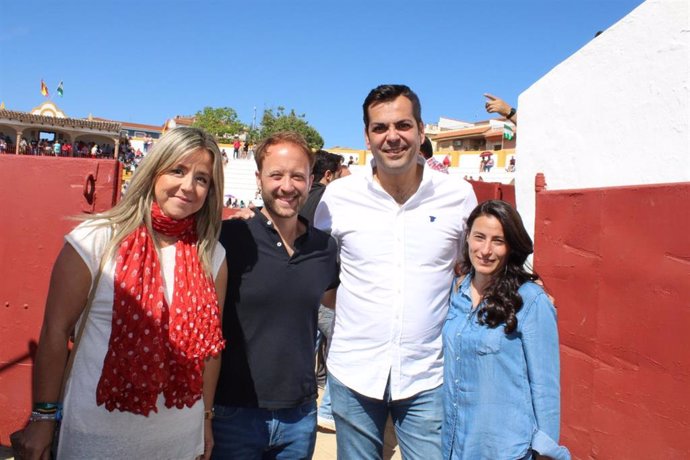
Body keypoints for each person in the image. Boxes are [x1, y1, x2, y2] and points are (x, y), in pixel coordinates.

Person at [19, 127, 228, 460]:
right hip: (96, 434)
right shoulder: (95, 239)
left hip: (179, 436)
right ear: (154, 171)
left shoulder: (211, 254)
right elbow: (55, 332)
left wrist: (206, 420)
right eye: (178, 170)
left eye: (202, 179)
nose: (189, 186)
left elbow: (210, 349)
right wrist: (43, 416)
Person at [314, 84, 477, 459]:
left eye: (402, 125)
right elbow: (311, 262)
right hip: (354, 372)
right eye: (380, 128)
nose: (392, 137)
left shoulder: (458, 196)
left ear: (422, 131)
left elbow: (477, 265)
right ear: (367, 137)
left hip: (428, 375)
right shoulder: (339, 197)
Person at [212, 131, 339, 459]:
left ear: (311, 181)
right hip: (233, 413)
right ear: (258, 179)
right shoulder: (229, 237)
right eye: (276, 175)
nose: (287, 185)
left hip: (299, 416)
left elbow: (339, 301)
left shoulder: (324, 248)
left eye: (298, 176)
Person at [443, 200, 570, 460]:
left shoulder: (530, 300)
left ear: (511, 247)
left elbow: (545, 385)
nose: (486, 250)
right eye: (479, 237)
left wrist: (545, 451)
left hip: (505, 449)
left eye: (498, 241)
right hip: (455, 443)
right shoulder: (457, 292)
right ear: (467, 239)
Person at [298, 149, 347, 432]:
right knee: (339, 343)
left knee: (308, 342)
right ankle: (327, 407)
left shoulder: (301, 198)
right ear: (328, 175)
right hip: (327, 289)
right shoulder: (330, 201)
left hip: (301, 287)